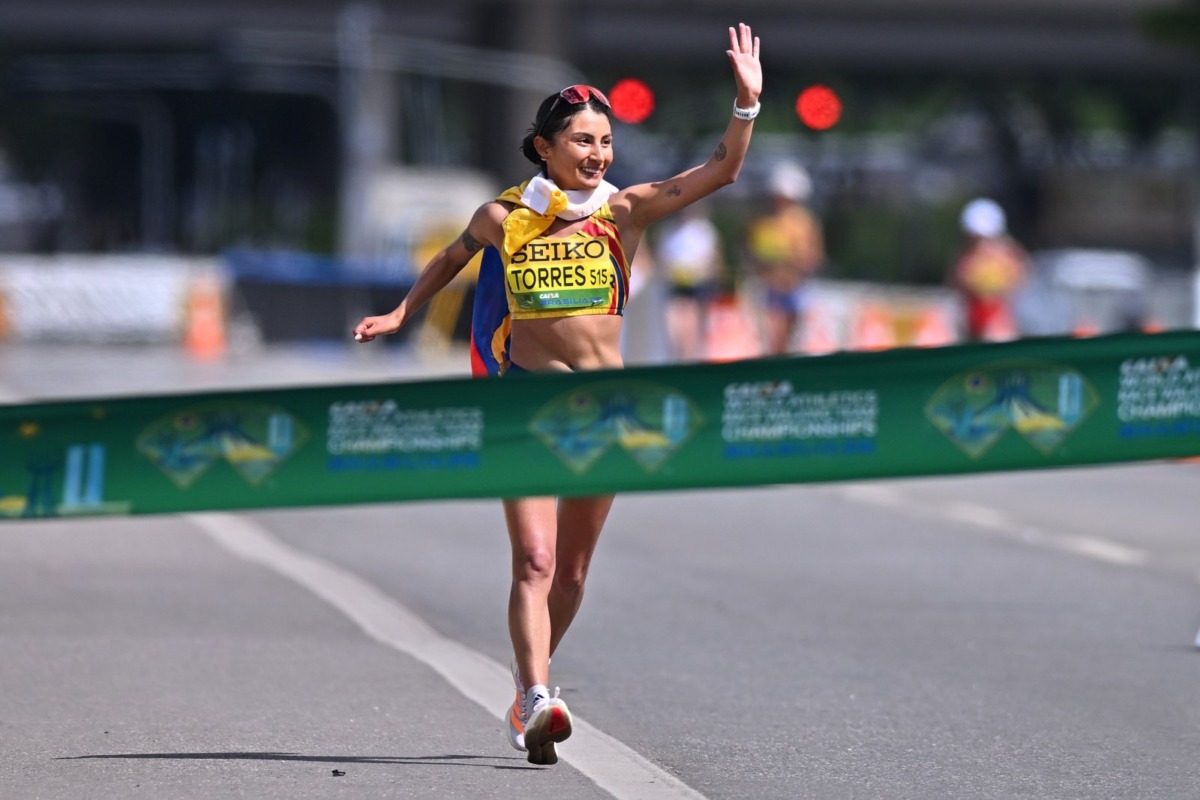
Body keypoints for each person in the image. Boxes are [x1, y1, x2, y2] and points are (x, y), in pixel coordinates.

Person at [352, 23, 762, 766]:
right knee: (535, 564)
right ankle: (539, 697)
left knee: (571, 575)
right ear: (544, 146)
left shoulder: (625, 211)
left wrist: (745, 104)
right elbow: (449, 259)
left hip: (606, 417)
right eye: (580, 140)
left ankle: (525, 687)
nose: (596, 153)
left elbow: (721, 172)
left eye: (605, 140)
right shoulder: (505, 218)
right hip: (525, 407)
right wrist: (402, 313)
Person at [745, 161, 824, 354]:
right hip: (771, 286)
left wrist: (796, 261)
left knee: (789, 339)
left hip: (795, 285)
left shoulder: (804, 222)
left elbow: (813, 256)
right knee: (775, 338)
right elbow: (753, 253)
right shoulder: (765, 223)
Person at [655, 202, 725, 361]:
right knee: (674, 329)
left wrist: (702, 273)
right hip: (676, 285)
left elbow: (714, 260)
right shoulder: (669, 230)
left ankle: (690, 359)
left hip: (697, 286)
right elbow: (662, 259)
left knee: (692, 331)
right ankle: (679, 358)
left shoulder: (704, 230)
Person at [951, 197, 1028, 342]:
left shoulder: (1006, 253)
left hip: (997, 319)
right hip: (973, 320)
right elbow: (957, 285)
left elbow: (1017, 285)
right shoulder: (966, 255)